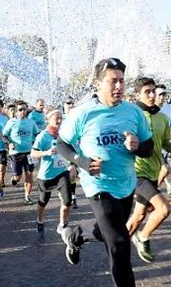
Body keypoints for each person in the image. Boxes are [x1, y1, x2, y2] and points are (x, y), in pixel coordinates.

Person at [57, 57, 153, 287]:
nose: (119, 86)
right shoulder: (83, 114)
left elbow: (148, 149)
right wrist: (82, 161)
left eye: (121, 81)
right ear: (98, 84)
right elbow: (62, 144)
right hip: (98, 185)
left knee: (109, 231)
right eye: (113, 81)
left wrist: (137, 146)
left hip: (126, 184)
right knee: (120, 242)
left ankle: (76, 234)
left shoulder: (134, 112)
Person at [126, 77, 171, 263]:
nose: (152, 95)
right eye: (147, 92)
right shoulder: (134, 116)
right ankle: (143, 237)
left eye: (154, 91)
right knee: (163, 209)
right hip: (136, 172)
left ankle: (113, 246)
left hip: (153, 172)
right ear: (138, 95)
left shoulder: (163, 117)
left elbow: (164, 144)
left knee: (138, 216)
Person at [31, 108, 75, 241]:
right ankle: (39, 221)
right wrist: (46, 153)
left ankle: (62, 225)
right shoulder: (43, 136)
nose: (60, 120)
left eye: (61, 117)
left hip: (62, 172)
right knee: (43, 201)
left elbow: (70, 150)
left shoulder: (64, 134)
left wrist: (72, 164)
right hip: (46, 176)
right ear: (49, 120)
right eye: (57, 118)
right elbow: (33, 153)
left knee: (68, 201)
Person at [3, 100, 40, 205]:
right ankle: (14, 179)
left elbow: (37, 134)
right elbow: (4, 136)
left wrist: (38, 144)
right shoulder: (11, 122)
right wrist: (9, 143)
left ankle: (27, 197)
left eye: (25, 109)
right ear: (15, 111)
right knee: (18, 176)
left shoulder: (31, 122)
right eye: (20, 109)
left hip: (29, 152)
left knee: (29, 174)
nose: (23, 111)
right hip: (15, 153)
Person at [155, 85, 171, 195]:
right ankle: (152, 191)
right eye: (160, 94)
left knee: (162, 168)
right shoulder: (148, 110)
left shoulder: (169, 108)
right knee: (164, 169)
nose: (162, 97)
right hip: (152, 146)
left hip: (164, 143)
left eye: (164, 94)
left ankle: (152, 191)